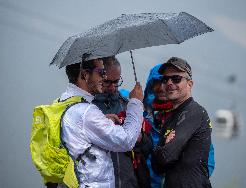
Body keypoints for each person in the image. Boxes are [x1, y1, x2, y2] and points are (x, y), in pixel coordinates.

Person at [60, 55, 144, 188]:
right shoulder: (86, 112)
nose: (104, 77)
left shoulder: (65, 102)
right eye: (101, 72)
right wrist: (136, 102)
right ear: (85, 75)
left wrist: (103, 121)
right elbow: (126, 140)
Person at [151, 57, 212, 188]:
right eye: (165, 79)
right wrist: (163, 148)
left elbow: (166, 157)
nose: (169, 83)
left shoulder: (195, 112)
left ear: (190, 84)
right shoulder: (170, 119)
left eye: (176, 79)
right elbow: (157, 167)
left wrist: (162, 148)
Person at [92, 56, 152, 188]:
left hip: (128, 182)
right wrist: (102, 123)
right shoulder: (88, 108)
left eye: (116, 82)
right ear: (98, 77)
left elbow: (148, 148)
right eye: (107, 82)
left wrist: (141, 138)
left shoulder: (129, 106)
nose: (113, 88)